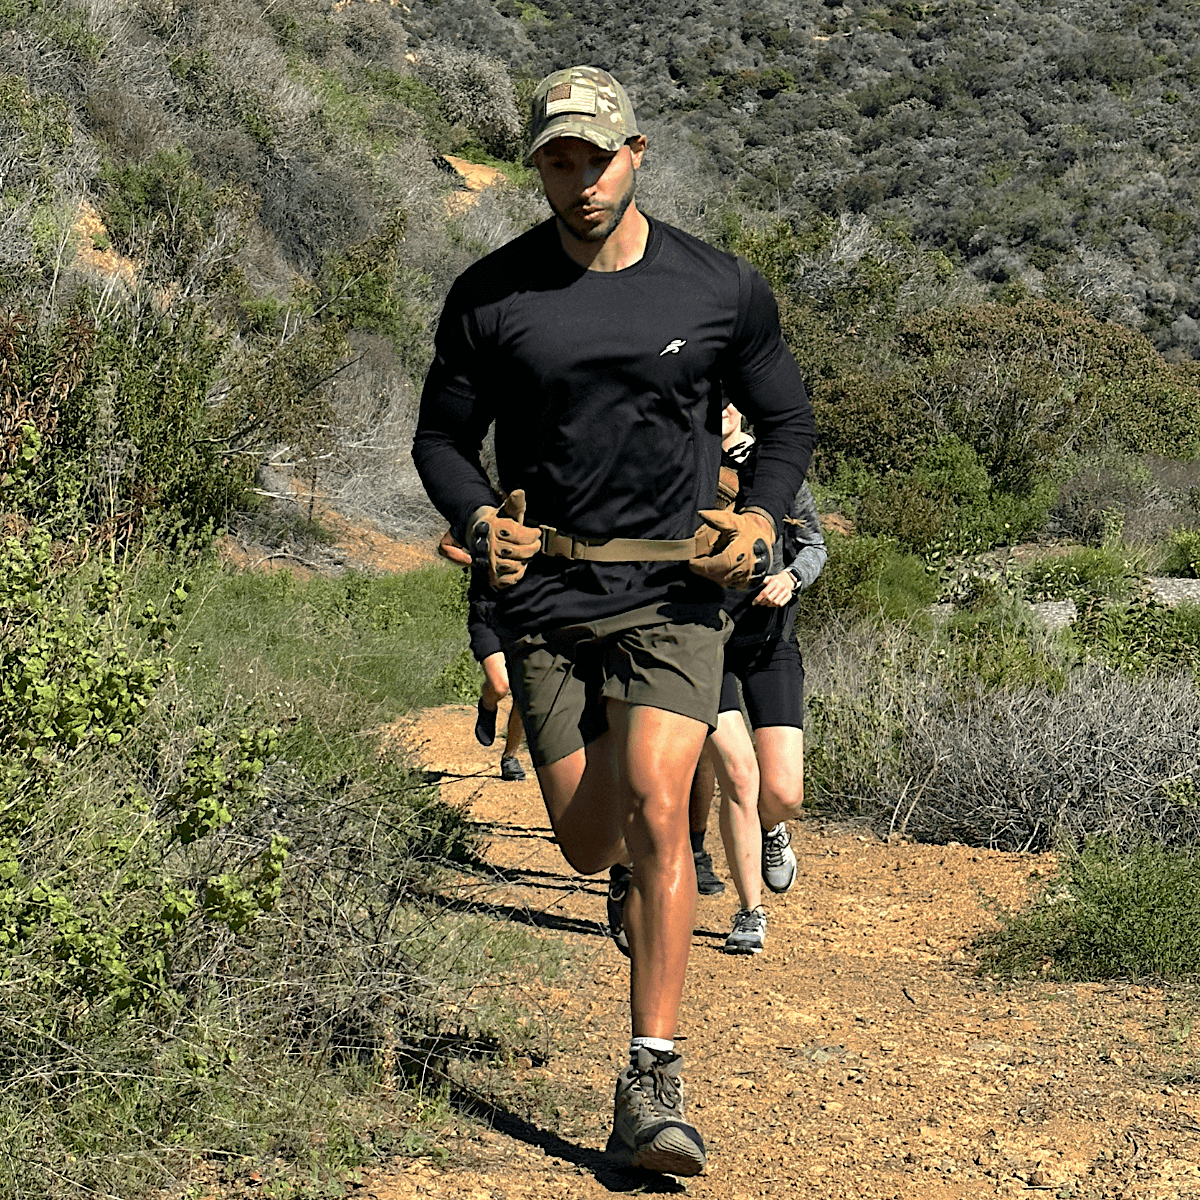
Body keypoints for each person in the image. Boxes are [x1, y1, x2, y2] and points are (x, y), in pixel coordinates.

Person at [413, 65, 814, 1177]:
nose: (580, 178)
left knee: (650, 800)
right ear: (535, 165)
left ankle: (653, 1081)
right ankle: (640, 865)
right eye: (557, 158)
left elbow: (783, 421)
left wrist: (765, 517)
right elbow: (440, 439)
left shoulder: (719, 287)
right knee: (593, 842)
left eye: (598, 155)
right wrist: (477, 513)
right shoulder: (491, 296)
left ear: (637, 153)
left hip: (676, 593)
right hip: (545, 596)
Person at [700, 403, 826, 955]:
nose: (720, 408)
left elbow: (814, 545)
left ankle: (773, 830)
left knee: (782, 793)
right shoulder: (689, 466)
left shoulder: (777, 469)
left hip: (771, 642)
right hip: (703, 645)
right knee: (738, 777)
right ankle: (749, 911)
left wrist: (793, 578)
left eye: (729, 398)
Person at [439, 531, 527, 781]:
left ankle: (510, 757)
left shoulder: (537, 517)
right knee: (500, 686)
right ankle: (488, 705)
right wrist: (476, 562)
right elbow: (446, 547)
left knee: (523, 691)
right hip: (486, 614)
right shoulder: (480, 515)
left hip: (525, 616)